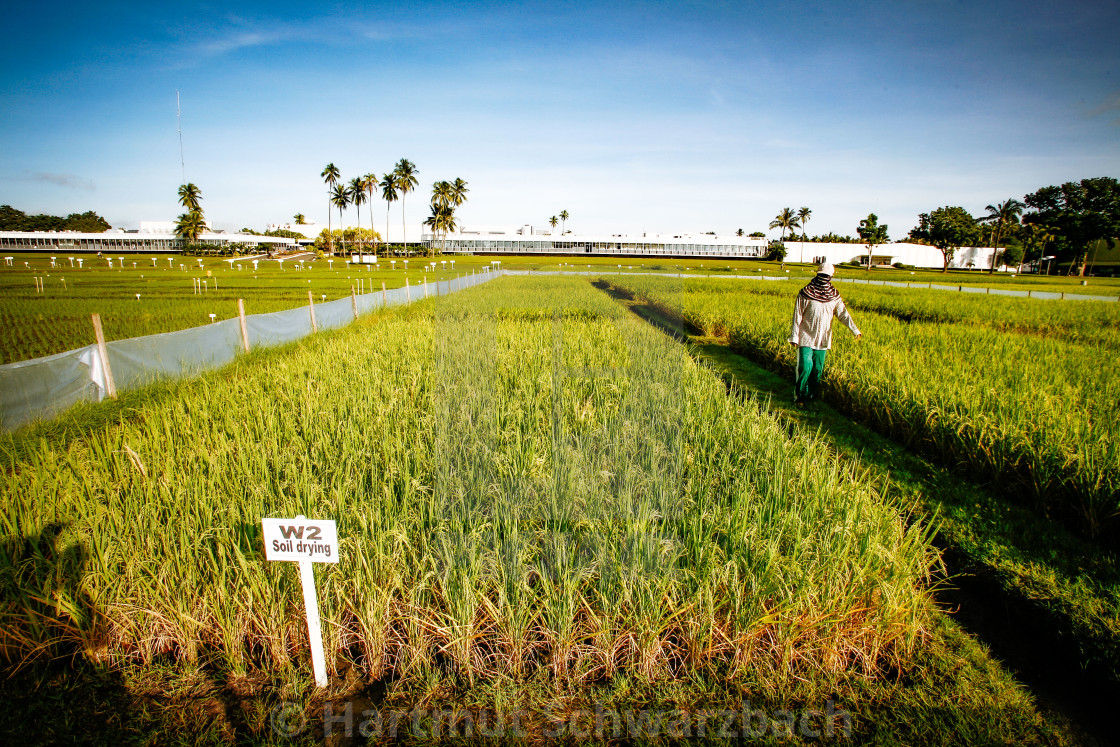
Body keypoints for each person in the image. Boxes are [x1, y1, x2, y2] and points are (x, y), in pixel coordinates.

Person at [788, 262, 861, 406]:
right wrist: (794, 336)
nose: (824, 279)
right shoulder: (805, 293)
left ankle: (811, 396)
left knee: (817, 369)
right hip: (805, 337)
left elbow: (843, 314)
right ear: (817, 274)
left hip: (823, 339)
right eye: (822, 275)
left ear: (831, 277)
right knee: (804, 367)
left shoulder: (834, 296)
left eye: (827, 276)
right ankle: (800, 397)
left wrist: (855, 330)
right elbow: (797, 315)